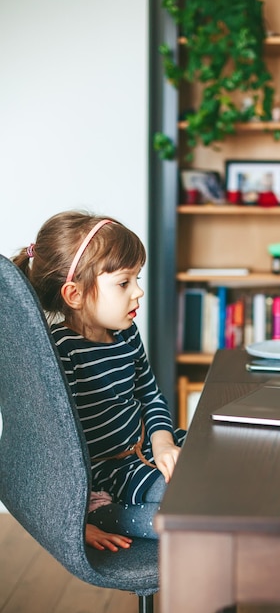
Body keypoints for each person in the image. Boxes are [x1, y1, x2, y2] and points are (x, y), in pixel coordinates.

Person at [13, 210, 186, 551]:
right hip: (112, 471)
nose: (138, 292)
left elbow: (150, 395)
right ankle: (99, 514)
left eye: (137, 278)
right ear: (74, 294)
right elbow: (57, 444)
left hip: (148, 445)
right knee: (182, 503)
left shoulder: (126, 334)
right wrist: (72, 521)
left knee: (216, 463)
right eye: (124, 282)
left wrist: (164, 443)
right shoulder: (64, 351)